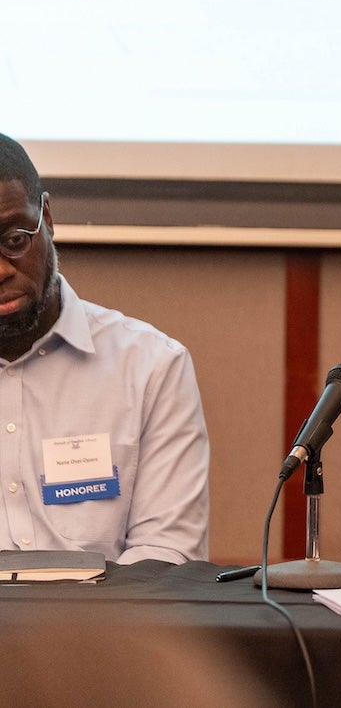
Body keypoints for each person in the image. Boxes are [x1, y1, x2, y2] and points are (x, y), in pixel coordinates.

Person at [0, 133, 209, 563]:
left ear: (47, 219)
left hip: (105, 609)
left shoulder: (150, 367)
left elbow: (165, 556)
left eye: (15, 240)